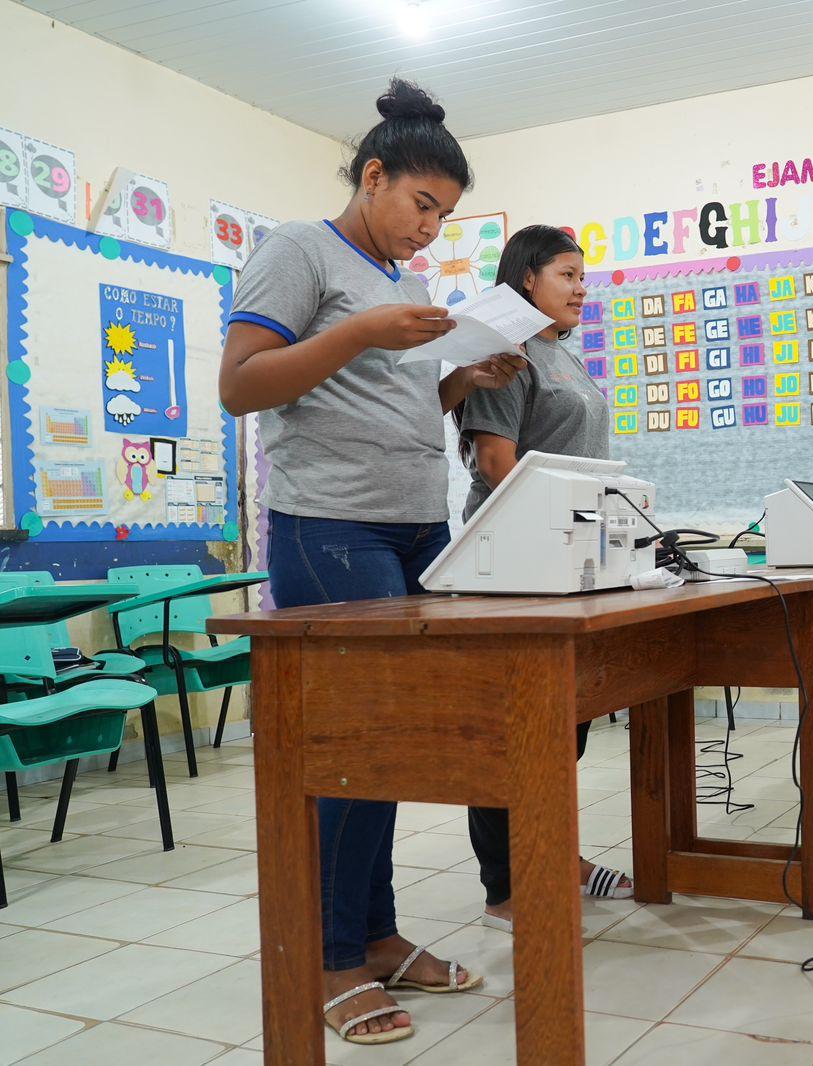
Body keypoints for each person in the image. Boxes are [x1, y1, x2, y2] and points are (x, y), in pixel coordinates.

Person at [220, 80, 522, 1045]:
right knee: (353, 746)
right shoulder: (298, 250)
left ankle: (377, 934)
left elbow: (391, 408)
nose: (430, 230)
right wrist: (356, 330)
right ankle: (329, 957)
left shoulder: (410, 284)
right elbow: (240, 385)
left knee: (389, 744)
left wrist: (463, 380)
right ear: (374, 175)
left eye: (446, 215)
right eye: (422, 204)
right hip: (327, 524)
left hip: (410, 524)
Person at [455, 225, 635, 931]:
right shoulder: (503, 355)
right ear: (527, 278)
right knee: (515, 729)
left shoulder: (564, 356)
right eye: (567, 274)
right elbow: (496, 464)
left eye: (582, 276)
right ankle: (507, 884)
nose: (580, 287)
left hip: (574, 563)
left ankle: (553, 850)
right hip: (517, 563)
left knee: (567, 725)